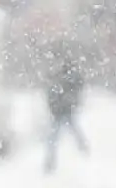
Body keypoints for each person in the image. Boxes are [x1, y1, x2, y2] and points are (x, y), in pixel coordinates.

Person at [44, 42, 88, 173]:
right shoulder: (66, 78)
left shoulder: (63, 78)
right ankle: (82, 148)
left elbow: (53, 94)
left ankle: (51, 161)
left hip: (62, 110)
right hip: (63, 110)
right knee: (67, 132)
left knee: (55, 136)